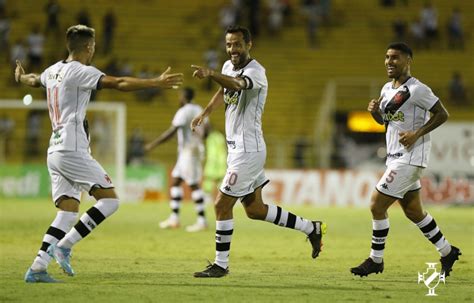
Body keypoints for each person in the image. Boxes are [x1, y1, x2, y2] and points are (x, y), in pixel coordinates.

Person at [15, 24, 183, 283]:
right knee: (110, 201)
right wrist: (155, 82)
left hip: (55, 149)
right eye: (93, 47)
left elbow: (33, 79)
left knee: (68, 211)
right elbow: (119, 82)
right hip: (72, 148)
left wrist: (19, 78)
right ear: (89, 47)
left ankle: (38, 266)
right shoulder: (81, 72)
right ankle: (65, 245)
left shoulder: (52, 71)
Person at [190, 25, 326, 278]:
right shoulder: (228, 66)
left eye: (237, 44)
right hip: (237, 150)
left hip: (248, 151)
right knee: (255, 210)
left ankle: (221, 265)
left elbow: (237, 85)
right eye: (229, 44)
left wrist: (210, 73)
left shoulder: (256, 72)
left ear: (249, 44)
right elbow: (224, 89)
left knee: (221, 205)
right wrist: (205, 113)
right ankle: (311, 228)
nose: (232, 49)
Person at [350, 43, 461, 277]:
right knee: (413, 212)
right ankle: (447, 251)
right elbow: (386, 122)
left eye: (396, 58)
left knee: (376, 205)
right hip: (394, 158)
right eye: (387, 57)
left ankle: (375, 260)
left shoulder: (418, 89)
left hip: (410, 158)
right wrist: (374, 113)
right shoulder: (387, 89)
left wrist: (417, 133)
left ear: (408, 60)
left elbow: (442, 113)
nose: (390, 62)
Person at [145, 87, 209, 232]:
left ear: (183, 97)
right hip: (194, 149)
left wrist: (153, 145)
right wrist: (198, 138)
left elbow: (171, 132)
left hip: (188, 150)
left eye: (180, 96)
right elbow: (208, 130)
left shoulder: (183, 111)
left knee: (193, 184)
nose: (179, 99)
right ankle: (174, 219)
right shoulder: (200, 109)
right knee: (176, 181)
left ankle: (202, 220)